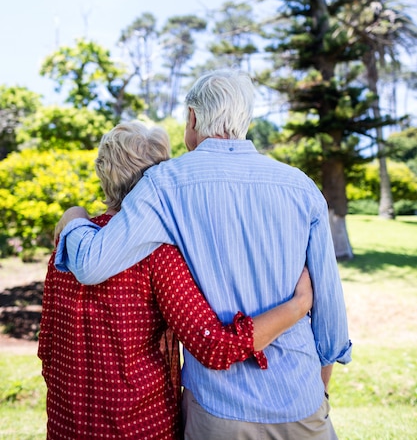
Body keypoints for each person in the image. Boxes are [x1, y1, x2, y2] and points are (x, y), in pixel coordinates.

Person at [55, 70, 352, 440]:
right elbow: (330, 309)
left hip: (217, 408)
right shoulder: (301, 186)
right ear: (245, 120)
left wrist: (73, 217)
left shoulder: (165, 184)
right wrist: (320, 389)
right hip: (300, 397)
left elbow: (91, 263)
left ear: (193, 118)